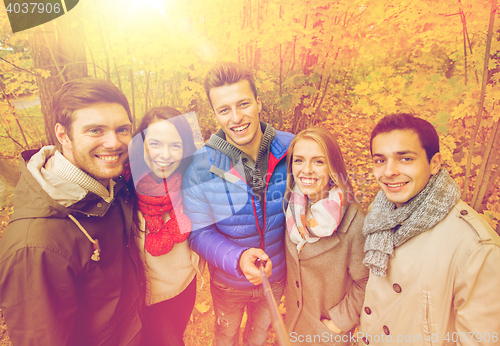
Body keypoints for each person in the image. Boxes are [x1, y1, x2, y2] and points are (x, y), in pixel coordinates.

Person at [0, 78, 144, 345]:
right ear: (63, 135)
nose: (114, 143)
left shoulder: (110, 187)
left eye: (122, 129)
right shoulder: (34, 246)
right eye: (95, 130)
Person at [358, 113, 500, 345]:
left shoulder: (474, 246)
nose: (389, 171)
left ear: (434, 163)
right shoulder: (379, 215)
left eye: (405, 159)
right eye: (380, 160)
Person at [182, 61, 294, 346]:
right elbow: (197, 233)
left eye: (243, 104)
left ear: (258, 102)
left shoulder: (293, 148)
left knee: (257, 335)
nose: (236, 117)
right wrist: (237, 258)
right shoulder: (200, 166)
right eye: (224, 109)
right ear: (216, 114)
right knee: (226, 336)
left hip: (278, 276)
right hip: (229, 282)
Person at [284, 127, 369, 345]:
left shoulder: (353, 221)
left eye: (318, 162)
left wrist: (337, 323)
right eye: (299, 160)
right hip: (294, 325)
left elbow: (367, 282)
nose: (306, 170)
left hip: (326, 334)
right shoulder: (292, 207)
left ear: (333, 167)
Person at [127, 107, 203, 346]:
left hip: (184, 287)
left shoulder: (192, 179)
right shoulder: (124, 185)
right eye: (156, 143)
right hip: (144, 295)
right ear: (142, 144)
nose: (165, 154)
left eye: (175, 145)